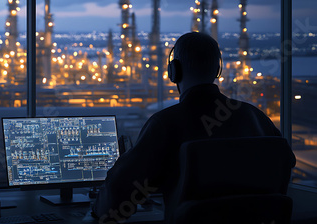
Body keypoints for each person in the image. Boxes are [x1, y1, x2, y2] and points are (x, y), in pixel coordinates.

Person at [92, 32, 295, 223]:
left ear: (174, 71)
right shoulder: (256, 117)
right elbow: (287, 163)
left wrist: (98, 206)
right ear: (218, 70)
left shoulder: (165, 124)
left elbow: (116, 198)